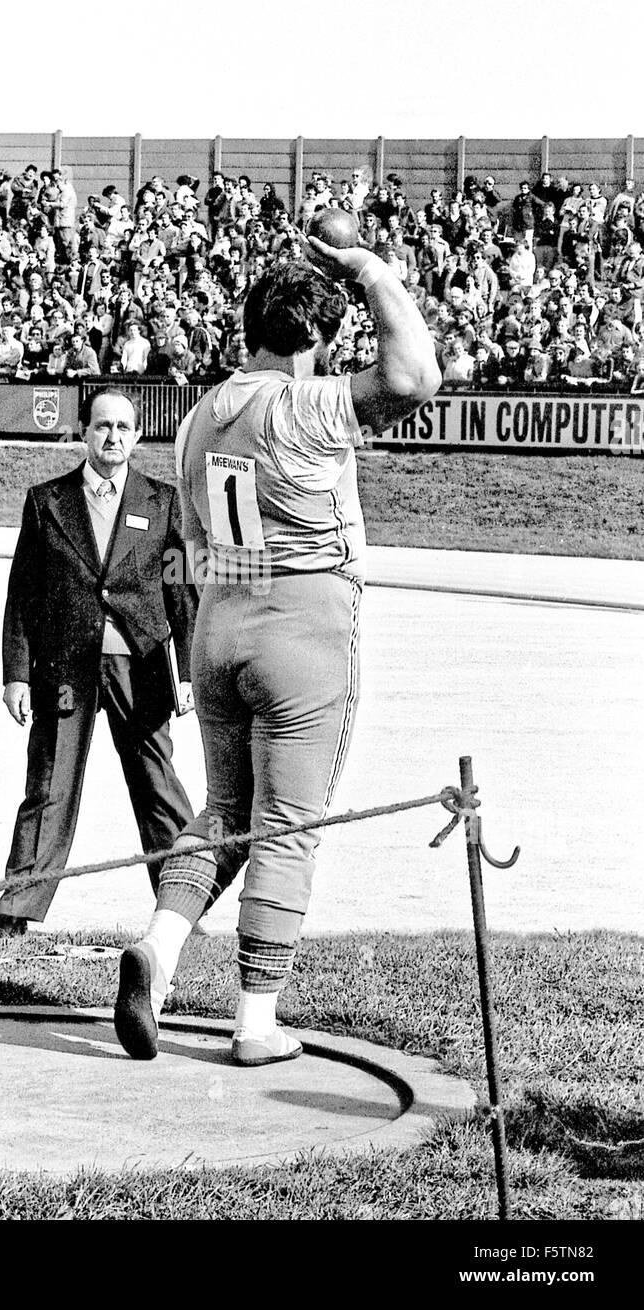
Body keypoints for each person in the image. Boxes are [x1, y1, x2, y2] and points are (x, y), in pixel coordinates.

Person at [113, 242, 440, 1067]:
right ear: (313, 341)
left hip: (221, 617)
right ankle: (255, 1022)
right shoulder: (307, 403)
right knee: (289, 827)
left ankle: (158, 948)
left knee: (223, 813)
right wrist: (372, 271)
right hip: (305, 621)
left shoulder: (198, 415)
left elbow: (188, 539)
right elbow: (413, 377)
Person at [0, 387, 199, 937]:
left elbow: (183, 594)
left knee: (158, 787)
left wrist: (190, 671)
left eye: (124, 427)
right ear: (83, 432)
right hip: (65, 668)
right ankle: (16, 912)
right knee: (48, 786)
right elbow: (23, 593)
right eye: (103, 426)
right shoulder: (45, 501)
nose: (113, 437)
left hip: (140, 666)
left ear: (138, 436)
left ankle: (183, 914)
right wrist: (16, 674)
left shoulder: (163, 502)